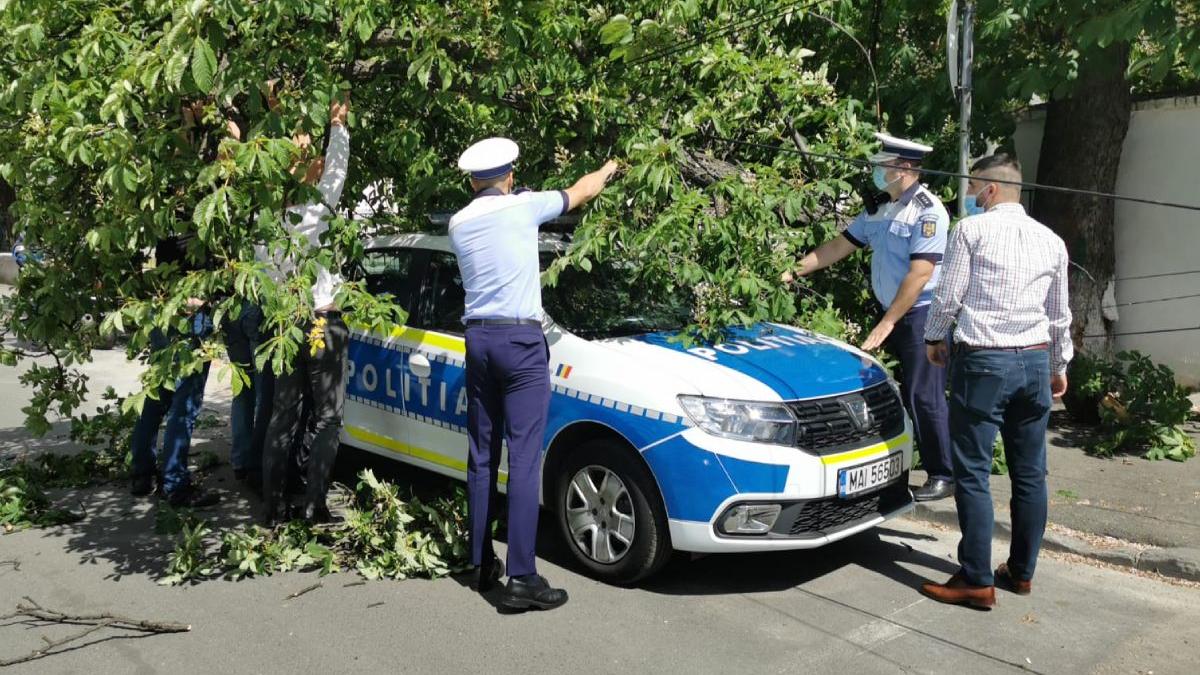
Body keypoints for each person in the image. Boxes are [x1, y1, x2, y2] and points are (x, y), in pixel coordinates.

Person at [450, 137, 617, 611]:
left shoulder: (461, 222)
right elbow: (580, 192)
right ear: (507, 177)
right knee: (522, 460)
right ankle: (522, 576)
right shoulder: (522, 206)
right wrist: (608, 168)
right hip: (520, 343)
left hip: (478, 340)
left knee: (481, 455)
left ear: (471, 180)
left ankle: (480, 562)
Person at [920, 153, 1072, 609]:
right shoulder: (1051, 240)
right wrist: (1059, 364)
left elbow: (948, 295)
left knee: (973, 472)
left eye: (971, 189)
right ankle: (1022, 573)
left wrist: (933, 338)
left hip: (984, 362)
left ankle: (976, 578)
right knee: (1030, 474)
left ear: (988, 190)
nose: (967, 197)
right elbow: (1059, 314)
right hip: (1033, 363)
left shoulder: (971, 230)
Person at [783, 132, 955, 501]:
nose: (877, 171)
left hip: (921, 315)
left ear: (904, 168)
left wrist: (888, 321)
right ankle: (890, 463)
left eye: (883, 165)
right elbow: (839, 246)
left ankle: (944, 473)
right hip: (892, 311)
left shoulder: (928, 211)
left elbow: (921, 273)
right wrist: (793, 271)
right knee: (886, 392)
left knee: (924, 395)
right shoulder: (882, 207)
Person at [260, 93, 351, 525]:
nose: (316, 163)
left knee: (283, 416)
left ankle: (274, 506)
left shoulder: (263, 221)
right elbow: (337, 167)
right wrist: (338, 124)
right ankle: (314, 503)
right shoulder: (316, 207)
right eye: (307, 159)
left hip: (285, 326)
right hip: (320, 320)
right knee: (330, 416)